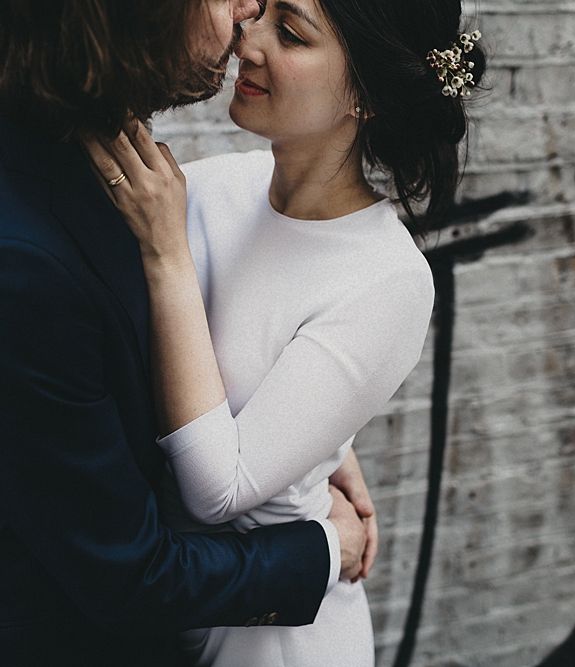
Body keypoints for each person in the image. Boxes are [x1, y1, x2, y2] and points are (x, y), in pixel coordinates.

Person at [84, 0, 486, 664]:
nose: (247, 41)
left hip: (274, 639)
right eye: (260, 13)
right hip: (161, 612)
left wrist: (166, 255)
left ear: (367, 97)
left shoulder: (388, 276)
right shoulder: (206, 188)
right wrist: (327, 443)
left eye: (291, 34)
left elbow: (219, 490)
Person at [0, 2, 372, 666]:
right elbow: (129, 576)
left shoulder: (97, 146)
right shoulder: (27, 262)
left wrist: (312, 437)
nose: (249, 8)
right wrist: (322, 550)